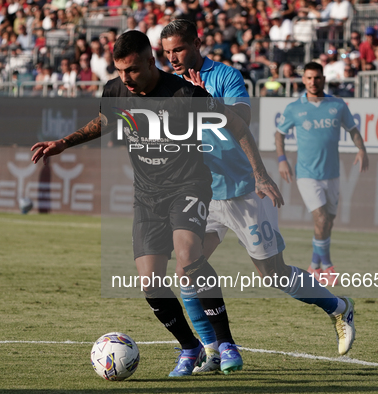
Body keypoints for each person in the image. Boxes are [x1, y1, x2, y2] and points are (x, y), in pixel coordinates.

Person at [31, 30, 282, 377]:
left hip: (189, 187)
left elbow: (238, 125)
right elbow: (104, 121)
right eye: (119, 70)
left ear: (151, 61)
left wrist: (260, 175)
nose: (126, 79)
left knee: (189, 259)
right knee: (150, 281)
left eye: (132, 69)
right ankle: (190, 348)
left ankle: (225, 343)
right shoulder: (117, 90)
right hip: (147, 196)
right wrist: (64, 142)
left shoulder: (184, 94)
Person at [161, 20, 358, 373]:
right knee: (185, 268)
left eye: (178, 49)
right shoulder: (169, 85)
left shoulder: (225, 76)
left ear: (196, 43)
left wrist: (203, 100)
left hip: (242, 189)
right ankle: (213, 349)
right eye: (166, 52)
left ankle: (339, 307)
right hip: (202, 191)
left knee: (273, 273)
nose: (172, 58)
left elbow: (240, 119)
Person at [275, 62, 369, 288]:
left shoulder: (337, 105)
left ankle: (314, 266)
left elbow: (352, 130)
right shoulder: (295, 108)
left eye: (317, 77)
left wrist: (362, 148)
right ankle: (327, 266)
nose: (313, 82)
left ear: (323, 79)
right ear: (303, 80)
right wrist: (282, 160)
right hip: (307, 174)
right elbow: (279, 134)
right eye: (308, 78)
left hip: (332, 173)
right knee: (321, 218)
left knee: (328, 223)